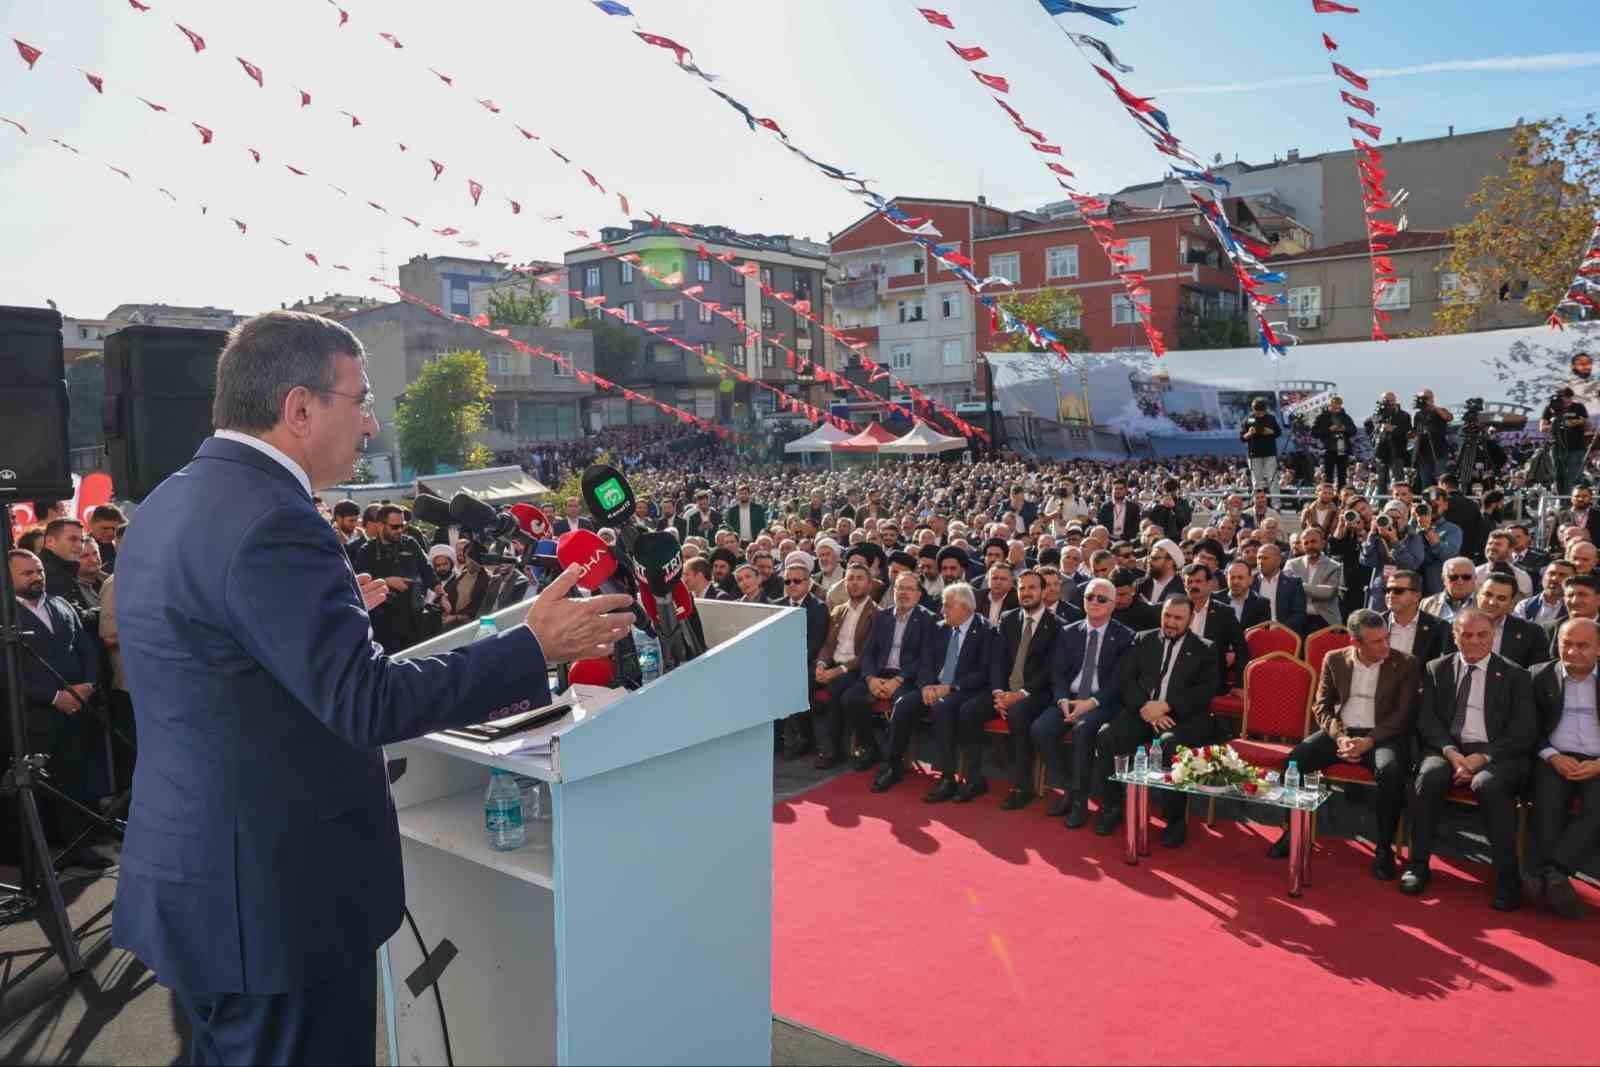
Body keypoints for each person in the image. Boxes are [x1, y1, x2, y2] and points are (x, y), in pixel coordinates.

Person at [110, 310, 635, 1066]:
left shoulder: (167, 502)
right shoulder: (275, 523)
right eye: (358, 398)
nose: (371, 421)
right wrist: (532, 646)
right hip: (276, 907)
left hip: (192, 883)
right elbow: (365, 701)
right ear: (298, 409)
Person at [1403, 608, 1535, 910]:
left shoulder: (1516, 675)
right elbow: (1427, 721)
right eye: (1466, 634)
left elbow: (1523, 732)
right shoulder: (1438, 668)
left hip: (1496, 754)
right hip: (1447, 748)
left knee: (1487, 786)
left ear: (1493, 636)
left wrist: (1480, 758)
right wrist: (1451, 753)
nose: (1474, 641)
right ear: (1454, 635)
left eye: (1482, 635)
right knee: (1429, 776)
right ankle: (1418, 865)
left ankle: (1507, 877)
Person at [1269, 610, 1416, 879]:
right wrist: (1341, 738)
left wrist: (1369, 741)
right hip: (1341, 732)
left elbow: (1402, 714)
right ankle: (1292, 833)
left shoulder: (1404, 663)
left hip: (1381, 735)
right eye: (1377, 641)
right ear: (1355, 643)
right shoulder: (1334, 659)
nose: (1386, 645)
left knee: (1392, 771)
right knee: (1296, 761)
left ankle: (1384, 849)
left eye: (1387, 638)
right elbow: (1321, 706)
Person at [9, 549, 111, 872]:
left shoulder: (61, 605)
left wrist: (88, 685)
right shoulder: (6, 615)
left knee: (76, 781)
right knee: (40, 790)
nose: (37, 577)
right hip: (33, 719)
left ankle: (78, 846)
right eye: (27, 573)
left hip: (77, 711)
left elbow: (85, 647)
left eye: (38, 570)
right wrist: (54, 696)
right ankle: (39, 857)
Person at [1092, 595, 1219, 844]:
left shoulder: (1205, 648)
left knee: (1171, 744)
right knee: (1107, 735)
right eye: (1167, 616)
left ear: (1191, 619)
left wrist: (1167, 706)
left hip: (1179, 718)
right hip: (1142, 712)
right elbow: (1127, 680)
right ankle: (1113, 807)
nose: (1171, 623)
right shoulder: (1143, 639)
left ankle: (1175, 820)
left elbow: (1205, 691)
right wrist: (1145, 707)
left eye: (1178, 618)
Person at [1038, 578, 1135, 828]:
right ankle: (1069, 788)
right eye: (1089, 597)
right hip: (1068, 700)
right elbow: (1057, 673)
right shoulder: (1068, 632)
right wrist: (1062, 701)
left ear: (1113, 605)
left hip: (1102, 703)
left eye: (1101, 599)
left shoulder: (1125, 637)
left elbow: (1118, 683)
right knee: (1040, 729)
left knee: (1083, 731)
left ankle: (1080, 802)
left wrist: (1090, 703)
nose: (1094, 602)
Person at [894, 583, 993, 802]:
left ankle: (947, 777)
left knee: (943, 708)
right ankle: (892, 765)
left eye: (948, 606)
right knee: (903, 704)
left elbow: (983, 673)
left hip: (964, 689)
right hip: (934, 686)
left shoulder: (986, 630)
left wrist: (949, 687)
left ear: (965, 608)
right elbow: (926, 661)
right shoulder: (939, 628)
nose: (942, 611)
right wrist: (926, 685)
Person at [1528, 618, 1600, 919]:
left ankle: (1552, 870)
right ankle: (1555, 876)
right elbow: (1525, 728)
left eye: (1582, 645)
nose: (1572, 652)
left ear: (1598, 647)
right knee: (1547, 801)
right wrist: (1551, 756)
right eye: (1566, 644)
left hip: (1598, 760)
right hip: (1553, 756)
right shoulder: (1538, 676)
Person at [848, 572, 937, 777]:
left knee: (902, 706)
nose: (903, 593)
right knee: (850, 698)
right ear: (893, 591)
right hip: (880, 672)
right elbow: (868, 652)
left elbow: (924, 658)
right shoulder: (882, 616)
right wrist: (870, 678)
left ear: (918, 595)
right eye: (899, 588)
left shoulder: (928, 619)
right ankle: (872, 749)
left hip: (908, 676)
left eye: (909, 589)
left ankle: (892, 763)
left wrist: (898, 680)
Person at [990, 569, 1063, 810]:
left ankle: (1022, 787)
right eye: (1022, 588)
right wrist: (999, 693)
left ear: (1044, 592)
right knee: (968, 709)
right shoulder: (1008, 619)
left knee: (1019, 714)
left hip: (1038, 693)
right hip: (1006, 692)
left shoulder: (1057, 626)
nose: (1026, 593)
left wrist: (1019, 696)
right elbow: (998, 660)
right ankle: (968, 778)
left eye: (1032, 588)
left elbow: (1050, 670)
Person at [811, 563, 879, 769]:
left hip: (859, 670)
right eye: (850, 578)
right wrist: (822, 664)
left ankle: (839, 749)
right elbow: (829, 644)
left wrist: (836, 671)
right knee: (804, 682)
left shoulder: (876, 613)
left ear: (869, 583)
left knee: (839, 690)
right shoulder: (839, 610)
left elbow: (866, 653)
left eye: (859, 578)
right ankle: (808, 741)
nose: (854, 583)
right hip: (836, 666)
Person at [353, 505, 433, 654]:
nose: (400, 530)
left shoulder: (410, 544)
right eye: (395, 527)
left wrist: (441, 593)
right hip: (384, 621)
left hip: (413, 617)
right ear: (380, 525)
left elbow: (427, 569)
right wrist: (387, 581)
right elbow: (360, 585)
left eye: (402, 526)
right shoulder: (366, 551)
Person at [778, 560, 830, 759]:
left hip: (807, 662)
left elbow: (814, 645)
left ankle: (799, 738)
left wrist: (788, 664)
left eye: (796, 581)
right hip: (782, 662)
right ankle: (775, 736)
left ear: (808, 584)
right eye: (787, 581)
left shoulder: (818, 608)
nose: (791, 585)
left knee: (796, 681)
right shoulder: (778, 606)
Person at [1474, 571, 1549, 670]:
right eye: (1488, 594)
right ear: (1477, 595)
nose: (1492, 602)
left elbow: (1537, 675)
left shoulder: (1531, 633)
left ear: (1511, 603)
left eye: (1501, 598)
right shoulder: (1458, 626)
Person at [1382, 569, 1452, 663]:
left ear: (1416, 596)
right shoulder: (1375, 623)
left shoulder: (1439, 628)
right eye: (1387, 590)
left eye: (1398, 591)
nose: (1390, 595)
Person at [1542, 386, 1591, 495]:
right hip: (1557, 447)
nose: (1567, 402)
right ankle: (1561, 500)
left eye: (1569, 399)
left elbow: (1588, 426)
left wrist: (1579, 422)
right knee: (1558, 475)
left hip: (1576, 446)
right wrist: (1557, 424)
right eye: (1564, 399)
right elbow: (1542, 428)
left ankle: (1576, 499)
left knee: (1575, 475)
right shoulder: (1551, 408)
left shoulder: (1578, 407)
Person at [1251, 542, 1308, 635]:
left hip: (1286, 633)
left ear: (1278, 561)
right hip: (1255, 634)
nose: (1260, 562)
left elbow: (1299, 614)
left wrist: (1281, 629)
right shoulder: (1251, 581)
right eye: (1259, 558)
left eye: (1265, 558)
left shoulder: (1293, 583)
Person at [1365, 392, 1412, 495]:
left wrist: (1393, 429)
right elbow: (1368, 425)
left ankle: (1401, 502)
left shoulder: (1403, 415)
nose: (1387, 404)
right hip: (1381, 452)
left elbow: (1407, 430)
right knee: (1381, 480)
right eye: (1385, 401)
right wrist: (1378, 427)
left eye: (1390, 401)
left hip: (1397, 451)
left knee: (1398, 480)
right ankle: (1382, 505)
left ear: (1395, 401)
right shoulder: (1377, 414)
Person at [1239, 397, 1282, 501]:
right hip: (1254, 454)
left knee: (1272, 479)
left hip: (1270, 453)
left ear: (1265, 410)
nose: (1260, 414)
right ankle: (1257, 503)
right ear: (1253, 410)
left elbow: (1278, 432)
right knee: (1256, 481)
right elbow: (1242, 437)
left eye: (1262, 412)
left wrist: (1270, 432)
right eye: (1257, 412)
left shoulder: (1271, 418)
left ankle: (1276, 504)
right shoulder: (1249, 419)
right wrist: (1249, 433)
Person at [1410, 389, 1453, 491]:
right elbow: (1416, 431)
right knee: (1426, 481)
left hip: (1439, 451)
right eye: (1423, 398)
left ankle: (1442, 499)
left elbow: (1448, 417)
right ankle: (1427, 502)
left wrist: (1432, 406)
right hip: (1423, 453)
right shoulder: (1418, 415)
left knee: (1441, 479)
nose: (1425, 401)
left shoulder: (1439, 410)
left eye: (1427, 398)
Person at [1311, 396, 1358, 487]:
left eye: (1338, 406)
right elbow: (1314, 432)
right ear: (1329, 405)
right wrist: (1328, 429)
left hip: (1342, 448)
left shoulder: (1345, 417)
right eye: (1333, 406)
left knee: (1342, 475)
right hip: (1328, 448)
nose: (1336, 408)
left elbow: (1353, 430)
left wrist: (1345, 429)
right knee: (1328, 475)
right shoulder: (1322, 417)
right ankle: (1328, 493)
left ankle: (1341, 494)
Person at [1421, 556, 1478, 622]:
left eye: (1466, 577)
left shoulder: (1483, 603)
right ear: (1443, 579)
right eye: (1453, 577)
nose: (1460, 582)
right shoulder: (1428, 604)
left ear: (1475, 578)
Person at [1518, 558, 1573, 626]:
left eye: (1562, 575)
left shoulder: (1574, 608)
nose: (1555, 579)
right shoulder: (1525, 605)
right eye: (1551, 574)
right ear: (1543, 577)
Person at [1223, 561, 1271, 630]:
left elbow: (1261, 635)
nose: (1236, 581)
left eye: (1240, 578)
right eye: (1232, 577)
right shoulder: (1216, 599)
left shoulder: (1261, 604)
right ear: (1226, 579)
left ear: (1250, 579)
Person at [87, 503, 126, 576]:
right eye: (105, 528)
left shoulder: (120, 549)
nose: (110, 533)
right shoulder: (80, 548)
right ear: (91, 524)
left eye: (114, 529)